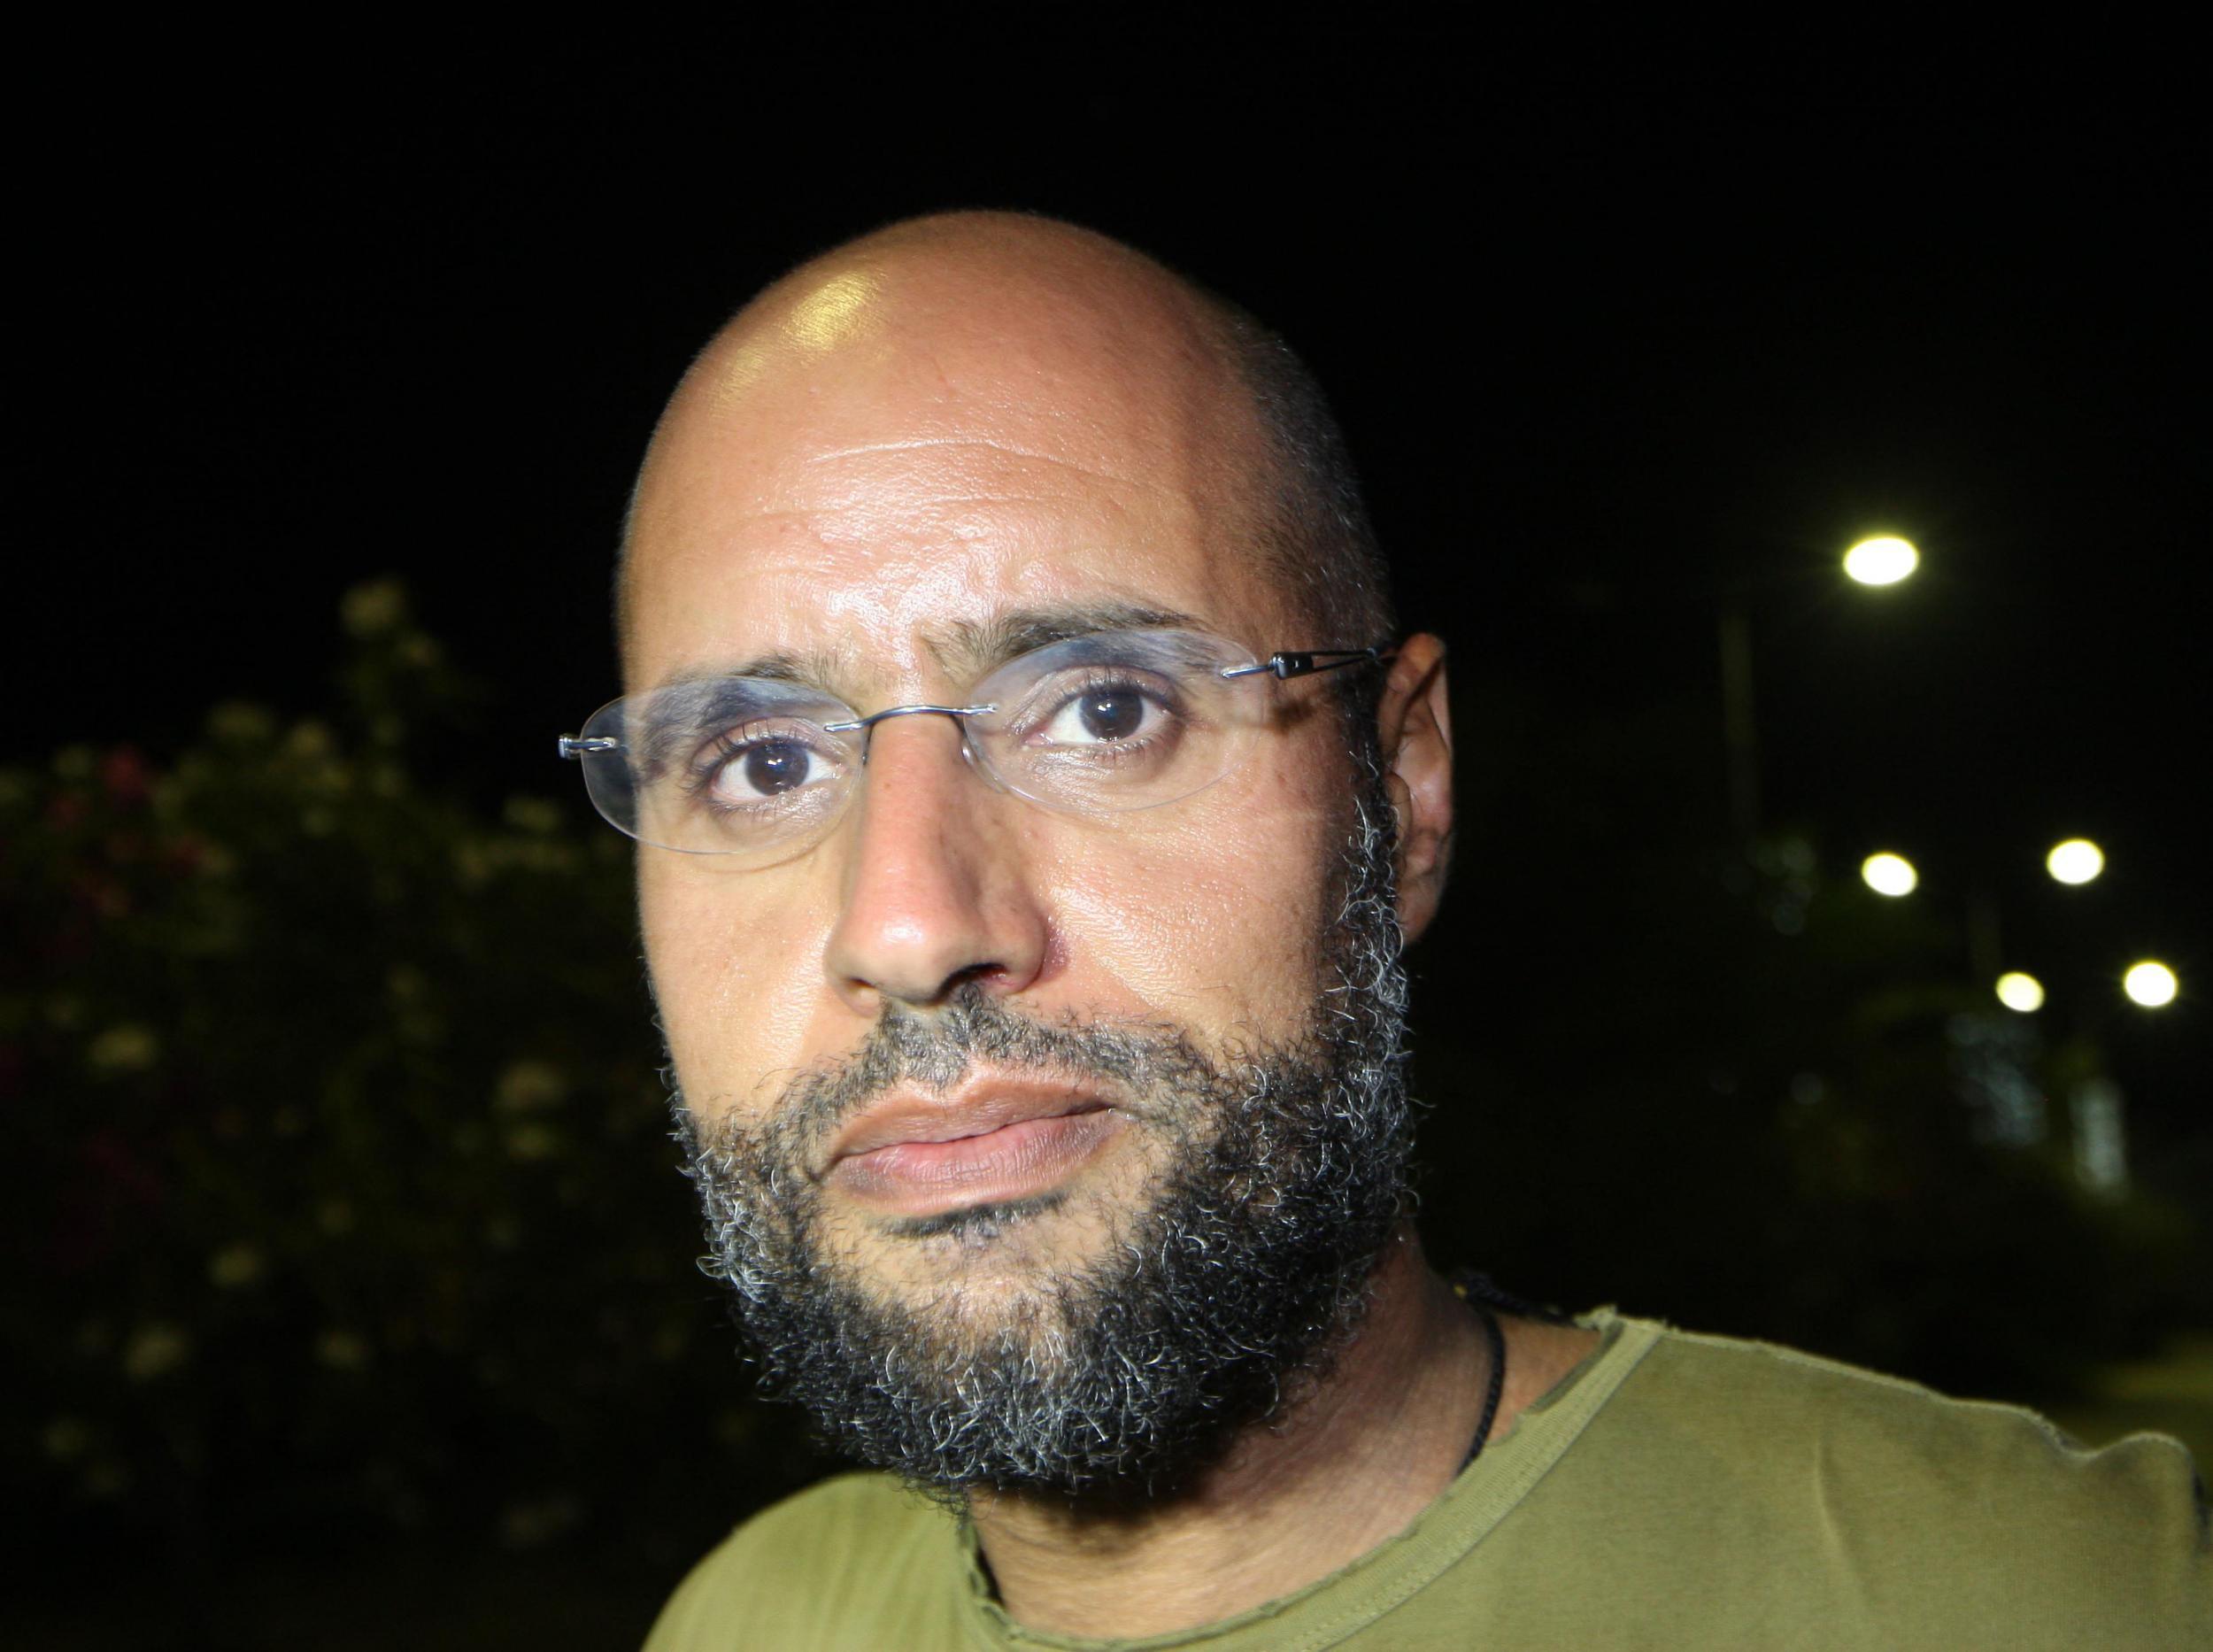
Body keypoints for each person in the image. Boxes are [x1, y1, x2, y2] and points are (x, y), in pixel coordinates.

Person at [562, 212, 2209, 1648]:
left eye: (1107, 708)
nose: (910, 921)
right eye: (761, 760)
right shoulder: (749, 1616)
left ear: (1402, 790)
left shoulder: (2069, 1600)